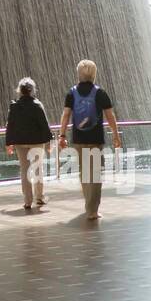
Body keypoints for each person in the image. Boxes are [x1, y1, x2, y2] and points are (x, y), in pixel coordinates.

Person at [59, 60, 121, 221]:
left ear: (78, 74)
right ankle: (92, 210)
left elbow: (66, 115)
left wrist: (62, 135)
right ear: (94, 74)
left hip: (78, 138)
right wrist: (115, 134)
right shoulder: (100, 93)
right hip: (95, 138)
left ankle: (88, 203)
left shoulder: (71, 93)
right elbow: (110, 116)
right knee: (95, 173)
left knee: (84, 171)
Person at [5, 78, 54, 209]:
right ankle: (39, 197)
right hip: (37, 142)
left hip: (20, 143)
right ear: (32, 91)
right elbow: (44, 125)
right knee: (38, 169)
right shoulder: (37, 105)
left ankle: (27, 200)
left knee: (24, 170)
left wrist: (8, 143)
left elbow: (10, 125)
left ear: (19, 91)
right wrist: (49, 141)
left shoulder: (14, 106)